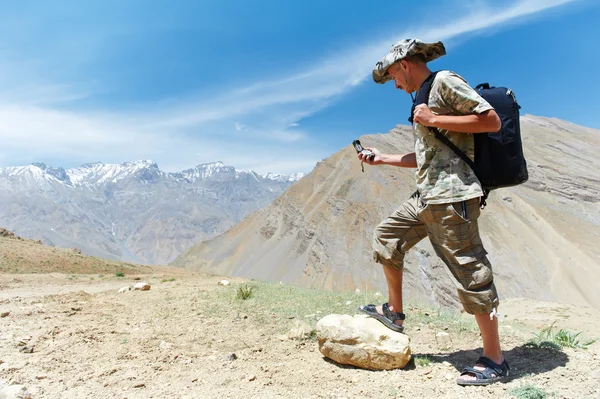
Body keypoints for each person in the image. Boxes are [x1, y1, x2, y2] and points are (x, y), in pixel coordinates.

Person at [357, 39, 509, 386]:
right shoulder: (420, 95)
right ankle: (394, 313)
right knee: (387, 235)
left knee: (470, 271)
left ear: (404, 65)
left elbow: (491, 120)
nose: (395, 84)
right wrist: (383, 159)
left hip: (453, 198)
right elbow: (426, 155)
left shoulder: (443, 82)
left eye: (393, 77)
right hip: (427, 196)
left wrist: (433, 116)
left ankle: (495, 359)